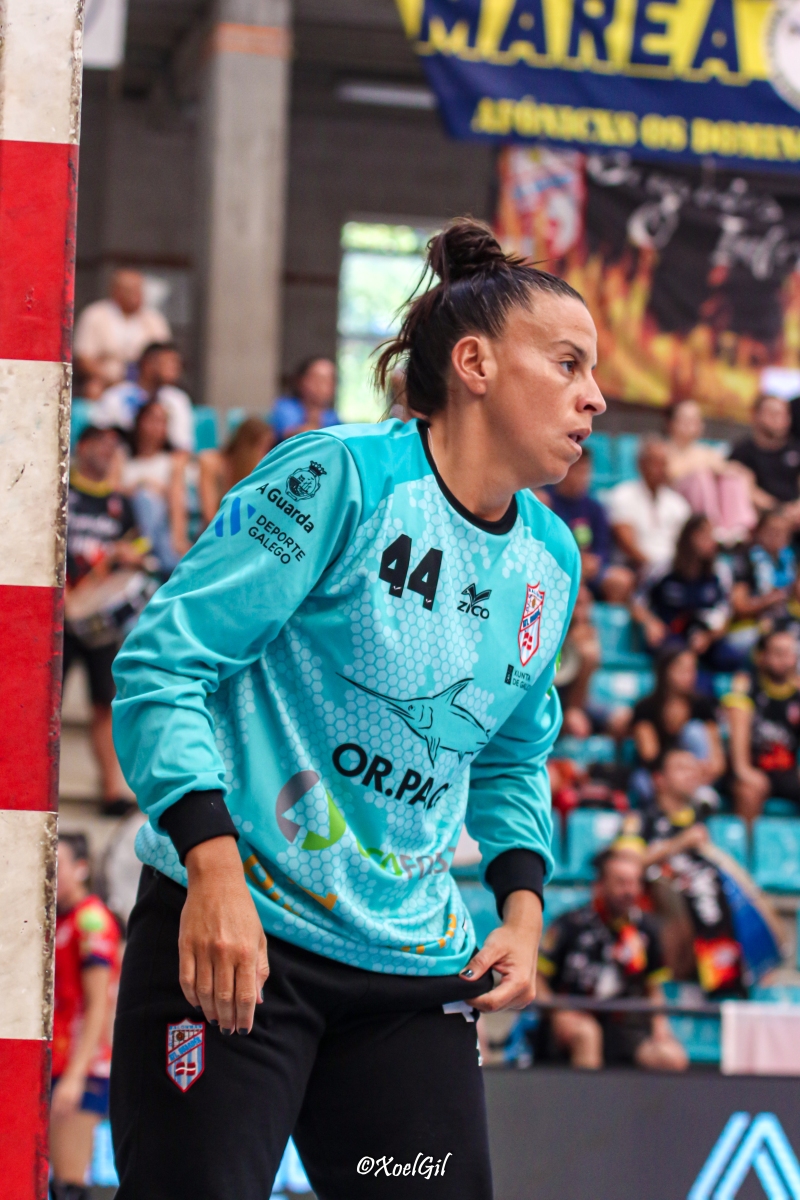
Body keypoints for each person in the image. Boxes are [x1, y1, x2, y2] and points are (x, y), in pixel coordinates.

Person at [109, 218, 604, 1200]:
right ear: (473, 364)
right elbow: (164, 662)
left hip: (406, 979)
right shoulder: (335, 476)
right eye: (568, 363)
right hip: (241, 942)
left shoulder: (551, 559)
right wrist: (212, 871)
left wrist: (520, 910)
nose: (594, 395)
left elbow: (511, 754)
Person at [536, 845, 687, 1071]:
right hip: (574, 1018)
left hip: (625, 1026)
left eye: (634, 883)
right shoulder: (569, 924)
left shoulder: (647, 929)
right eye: (621, 883)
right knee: (588, 1034)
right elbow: (537, 979)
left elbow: (653, 988)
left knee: (672, 1057)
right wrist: (558, 1013)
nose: (630, 891)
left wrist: (660, 1027)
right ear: (600, 885)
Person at [65, 426, 150, 814]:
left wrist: (129, 555)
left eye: (112, 447)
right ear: (81, 447)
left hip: (99, 622)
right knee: (42, 705)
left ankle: (111, 792)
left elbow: (140, 547)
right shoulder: (62, 491)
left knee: (104, 703)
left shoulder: (120, 502)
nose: (106, 452)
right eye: (100, 444)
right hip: (58, 616)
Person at [625, 750, 747, 998]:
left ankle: (723, 980)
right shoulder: (641, 819)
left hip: (710, 927)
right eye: (681, 768)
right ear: (659, 780)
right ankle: (665, 985)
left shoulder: (709, 819)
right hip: (656, 916)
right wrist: (678, 844)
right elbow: (627, 865)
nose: (691, 775)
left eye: (694, 769)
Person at [51, 833, 122, 1200]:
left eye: (58, 865)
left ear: (81, 869)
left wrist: (75, 1076)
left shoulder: (91, 919)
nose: (51, 873)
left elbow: (99, 1004)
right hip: (59, 1060)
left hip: (83, 1066)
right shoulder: (59, 919)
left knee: (68, 1183)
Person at [631, 514, 740, 679]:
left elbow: (725, 614)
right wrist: (650, 622)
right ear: (689, 537)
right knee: (675, 656)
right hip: (669, 635)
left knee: (732, 658)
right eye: (705, 535)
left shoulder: (720, 572)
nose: (711, 542)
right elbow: (636, 602)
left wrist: (709, 637)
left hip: (703, 636)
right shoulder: (662, 568)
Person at [723, 629, 800, 821]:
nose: (785, 660)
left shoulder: (797, 694)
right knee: (749, 791)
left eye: (789, 653)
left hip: (785, 771)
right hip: (752, 769)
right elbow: (740, 762)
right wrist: (747, 773)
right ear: (762, 657)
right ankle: (746, 842)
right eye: (778, 653)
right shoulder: (745, 688)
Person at [548, 447, 635, 602]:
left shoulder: (595, 508)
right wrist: (575, 561)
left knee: (621, 580)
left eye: (586, 472)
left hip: (591, 569)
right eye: (578, 471)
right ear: (565, 470)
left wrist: (596, 561)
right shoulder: (546, 502)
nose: (583, 478)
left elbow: (603, 546)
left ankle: (610, 617)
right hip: (559, 565)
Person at [630, 647, 725, 789]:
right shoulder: (645, 707)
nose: (689, 676)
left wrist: (695, 773)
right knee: (642, 783)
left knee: (694, 731)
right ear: (665, 671)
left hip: (696, 776)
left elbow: (717, 760)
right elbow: (649, 755)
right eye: (682, 670)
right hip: (661, 775)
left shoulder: (703, 705)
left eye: (692, 670)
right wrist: (677, 771)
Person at [120, 400, 189, 576]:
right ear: (139, 421)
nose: (156, 426)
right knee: (143, 497)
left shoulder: (172, 461)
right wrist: (141, 486)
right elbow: (113, 491)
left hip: (160, 527)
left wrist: (179, 539)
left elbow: (176, 501)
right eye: (152, 419)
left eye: (162, 421)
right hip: (128, 526)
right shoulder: (123, 457)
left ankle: (155, 555)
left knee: (148, 501)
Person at [606, 438, 691, 578]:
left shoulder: (678, 503)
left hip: (674, 570)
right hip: (638, 568)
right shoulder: (622, 495)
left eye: (664, 463)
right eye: (656, 463)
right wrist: (654, 568)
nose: (662, 469)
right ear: (641, 464)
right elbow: (626, 542)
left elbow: (687, 543)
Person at [74, 269, 171, 390]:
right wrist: (112, 381)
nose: (137, 296)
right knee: (93, 388)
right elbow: (83, 358)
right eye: (131, 291)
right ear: (116, 292)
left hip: (147, 385)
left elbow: (166, 357)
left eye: (139, 290)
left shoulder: (154, 319)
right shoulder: (95, 315)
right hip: (106, 383)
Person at [93, 341, 195, 454]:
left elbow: (182, 447)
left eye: (176, 363)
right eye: (167, 363)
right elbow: (98, 438)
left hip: (162, 461)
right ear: (147, 364)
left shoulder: (177, 400)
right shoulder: (116, 396)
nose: (174, 368)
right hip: (121, 459)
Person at [729, 508, 796, 654]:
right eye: (772, 530)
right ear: (759, 531)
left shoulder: (790, 558)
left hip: (786, 622)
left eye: (782, 531)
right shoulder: (746, 559)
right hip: (752, 625)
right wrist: (766, 602)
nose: (777, 536)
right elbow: (739, 605)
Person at [728, 394, 800, 521]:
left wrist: (795, 510)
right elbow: (743, 488)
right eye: (773, 414)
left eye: (784, 414)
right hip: (760, 518)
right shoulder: (742, 452)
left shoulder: (796, 449)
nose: (780, 419)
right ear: (755, 415)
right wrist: (777, 510)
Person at [198, 416, 274, 527]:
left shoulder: (259, 473)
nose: (265, 455)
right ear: (248, 447)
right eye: (263, 448)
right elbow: (210, 516)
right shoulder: (210, 462)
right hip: (216, 531)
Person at [270, 357, 339, 441]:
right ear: (301, 381)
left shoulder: (331, 416)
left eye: (329, 380)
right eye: (317, 379)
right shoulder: (286, 407)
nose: (322, 386)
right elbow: (292, 436)